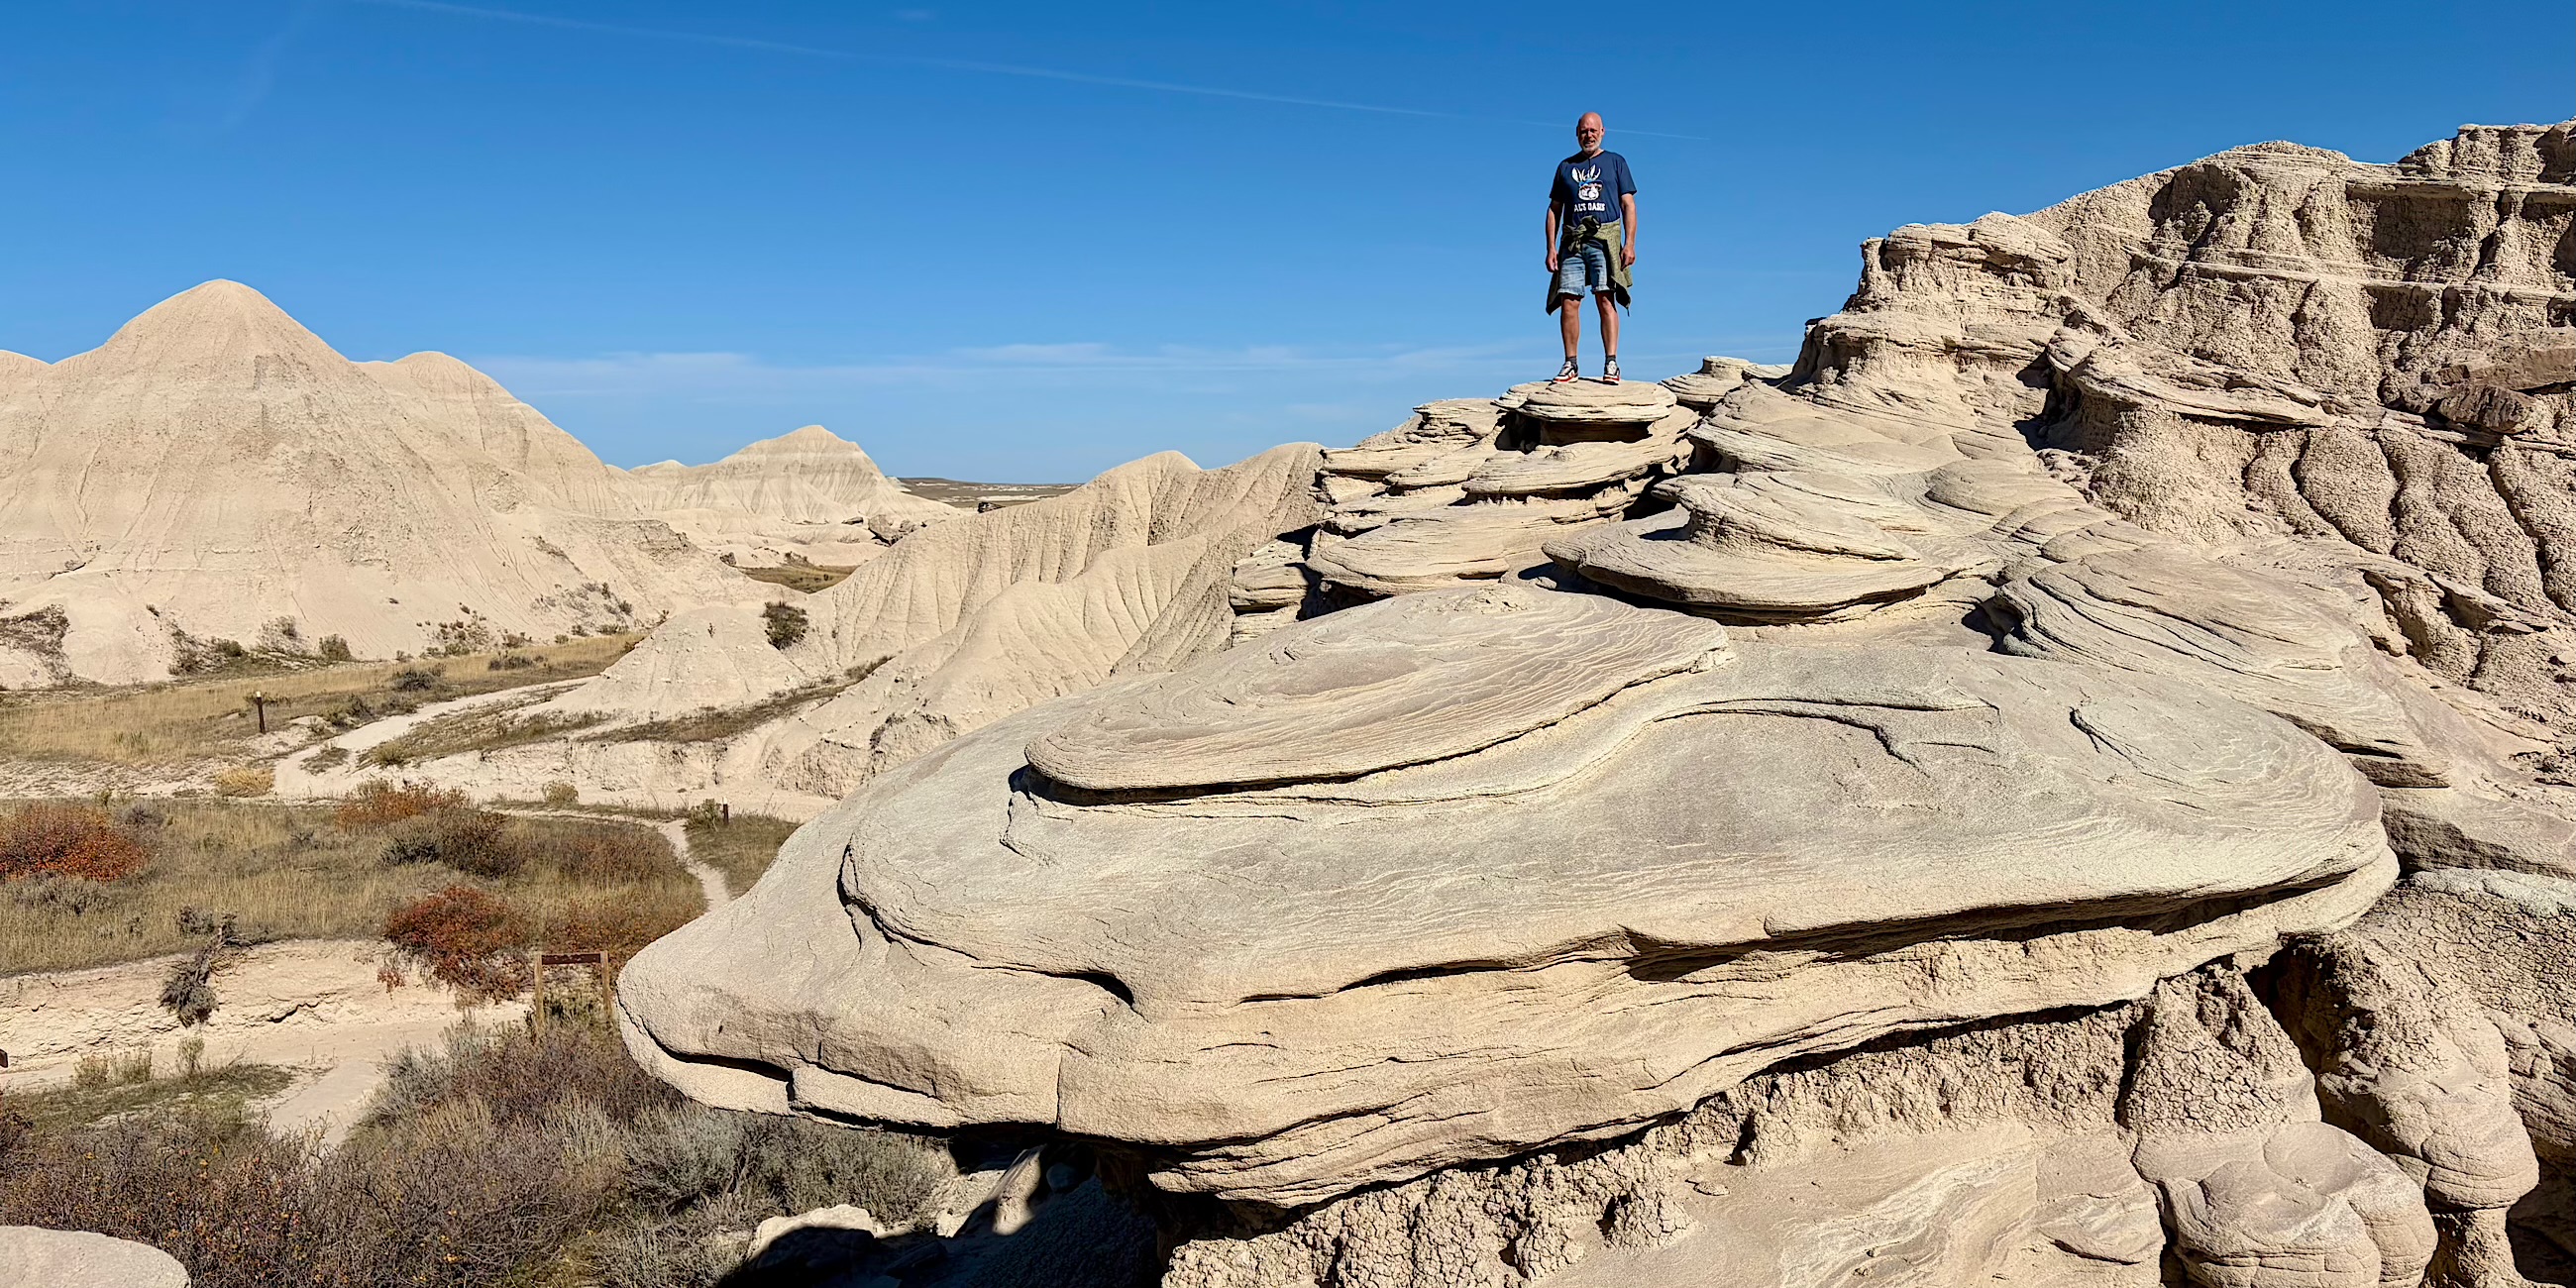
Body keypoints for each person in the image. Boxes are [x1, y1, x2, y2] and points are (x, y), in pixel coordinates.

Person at [1546, 112, 1637, 383]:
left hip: (1604, 240)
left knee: (1605, 298)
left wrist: (1629, 244)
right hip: (1573, 242)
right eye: (1584, 131)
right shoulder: (1565, 166)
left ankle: (1611, 363)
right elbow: (1554, 210)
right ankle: (1570, 363)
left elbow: (1628, 205)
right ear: (1577, 133)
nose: (1589, 135)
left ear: (1603, 132)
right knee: (1569, 301)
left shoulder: (1616, 162)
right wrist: (1551, 248)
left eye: (1593, 130)